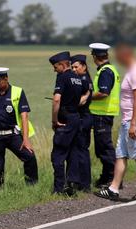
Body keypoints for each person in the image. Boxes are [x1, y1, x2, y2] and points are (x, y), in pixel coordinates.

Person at [95, 43, 136, 201]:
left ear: (125, 56)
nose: (117, 60)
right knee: (121, 154)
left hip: (135, 120)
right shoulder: (134, 70)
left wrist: (134, 123)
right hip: (128, 120)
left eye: (118, 57)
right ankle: (113, 188)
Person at [49, 52, 90, 195]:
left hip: (65, 119)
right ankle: (71, 184)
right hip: (76, 118)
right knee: (73, 152)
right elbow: (83, 97)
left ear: (62, 64)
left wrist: (55, 120)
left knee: (58, 154)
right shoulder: (77, 78)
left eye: (55, 67)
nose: (54, 70)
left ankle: (58, 188)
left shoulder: (62, 77)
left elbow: (56, 100)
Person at [88, 43, 121, 189]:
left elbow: (103, 93)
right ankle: (106, 177)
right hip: (104, 114)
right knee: (102, 148)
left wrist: (87, 97)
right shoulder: (110, 69)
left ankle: (113, 180)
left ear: (95, 57)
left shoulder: (105, 71)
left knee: (105, 148)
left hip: (102, 115)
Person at [71, 54, 93, 190]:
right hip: (85, 118)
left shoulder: (83, 80)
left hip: (82, 119)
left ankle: (84, 184)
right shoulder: (85, 79)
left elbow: (81, 101)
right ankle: (83, 183)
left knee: (81, 151)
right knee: (81, 150)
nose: (73, 69)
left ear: (84, 66)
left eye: (76, 67)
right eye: (72, 67)